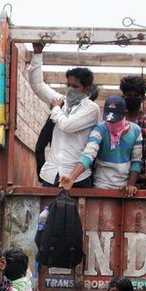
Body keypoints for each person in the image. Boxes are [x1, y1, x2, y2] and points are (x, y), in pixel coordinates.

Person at [29, 42, 101, 188]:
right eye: (68, 85)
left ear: (87, 89)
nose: (70, 90)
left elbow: (68, 125)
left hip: (77, 178)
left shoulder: (92, 109)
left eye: (75, 86)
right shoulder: (62, 101)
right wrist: (37, 53)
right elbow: (37, 85)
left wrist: (55, 109)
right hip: (51, 175)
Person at [61, 96, 143, 195]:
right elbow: (88, 155)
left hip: (124, 188)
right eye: (108, 120)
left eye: (114, 120)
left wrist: (131, 184)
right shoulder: (99, 130)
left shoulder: (136, 131)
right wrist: (72, 177)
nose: (111, 123)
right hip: (100, 185)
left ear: (124, 114)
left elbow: (136, 161)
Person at [120, 75, 146, 160]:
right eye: (128, 95)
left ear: (142, 98)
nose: (132, 98)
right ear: (123, 96)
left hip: (139, 171)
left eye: (136, 95)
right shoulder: (116, 121)